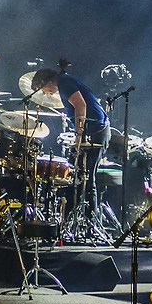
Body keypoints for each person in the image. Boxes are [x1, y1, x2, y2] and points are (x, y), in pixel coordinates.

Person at [26, 65, 110, 214]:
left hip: (96, 131)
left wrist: (78, 135)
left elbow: (80, 105)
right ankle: (73, 217)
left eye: (42, 89)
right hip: (92, 131)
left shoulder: (64, 83)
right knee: (75, 176)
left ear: (46, 82)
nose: (45, 94)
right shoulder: (64, 81)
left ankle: (90, 221)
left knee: (87, 179)